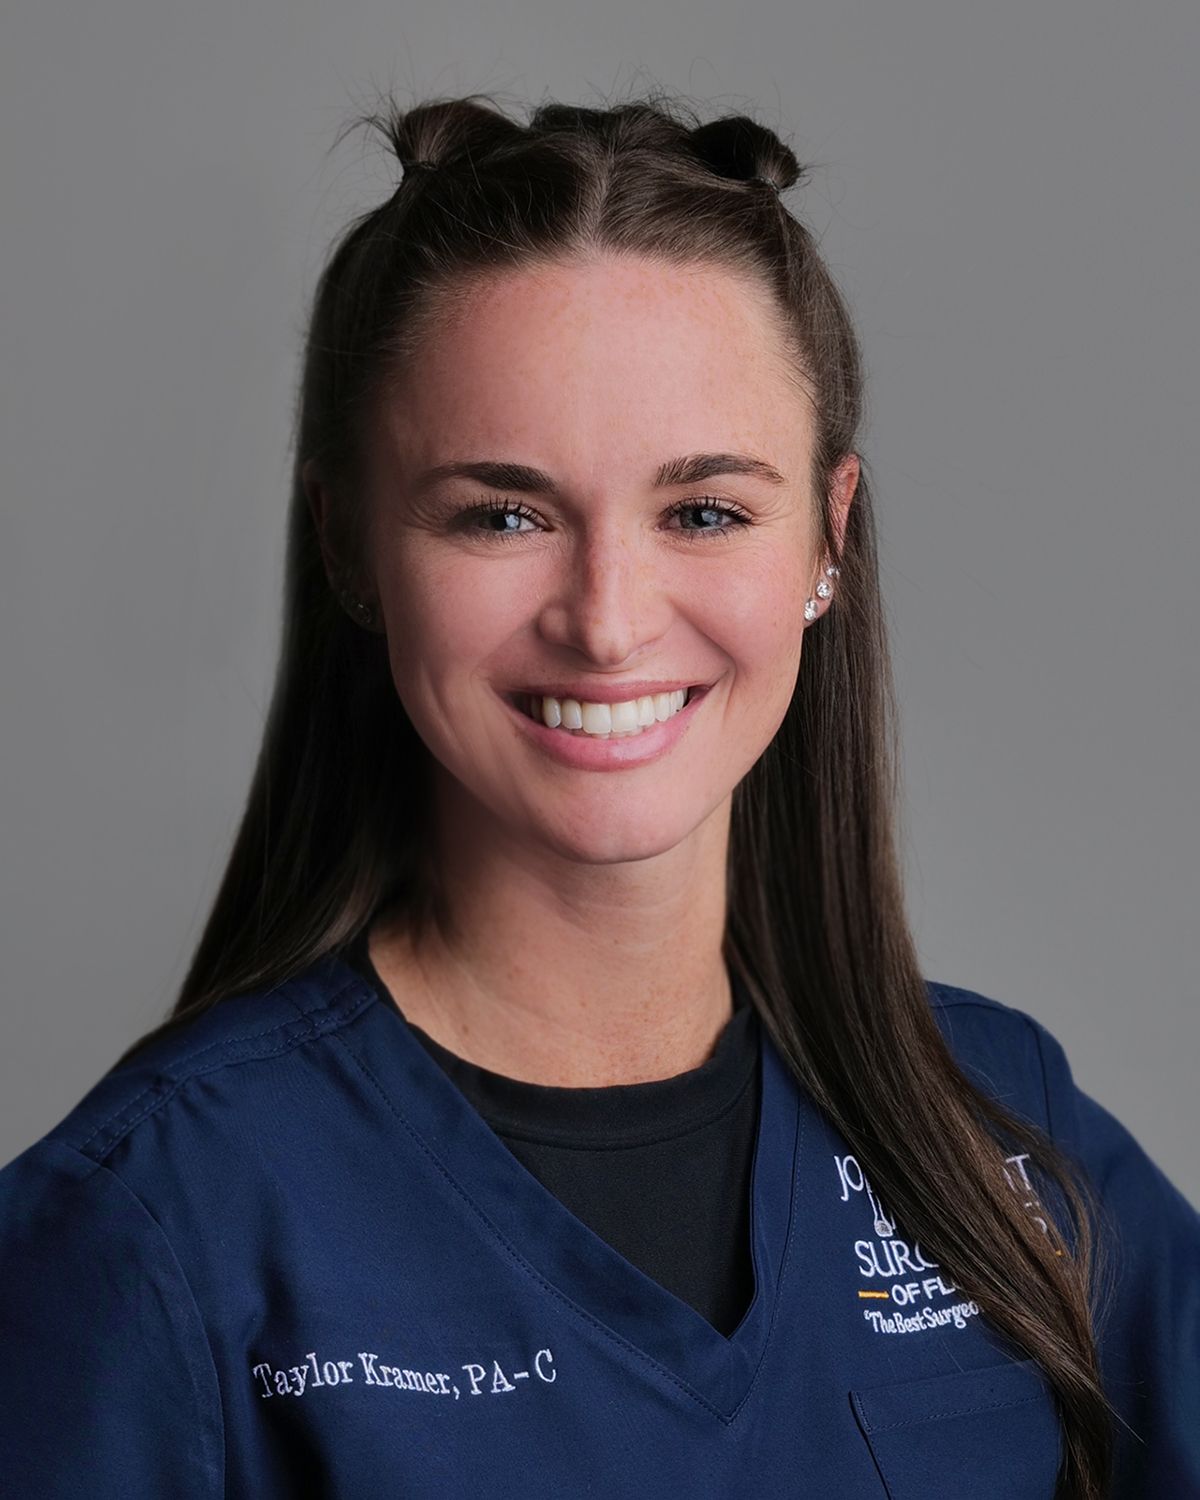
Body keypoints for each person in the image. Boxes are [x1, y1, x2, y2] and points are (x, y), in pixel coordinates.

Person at [0, 90, 1196, 1500]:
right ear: (350, 548)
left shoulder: (1001, 1130)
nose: (609, 620)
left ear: (828, 537)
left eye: (704, 512)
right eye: (502, 515)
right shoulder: (148, 1229)